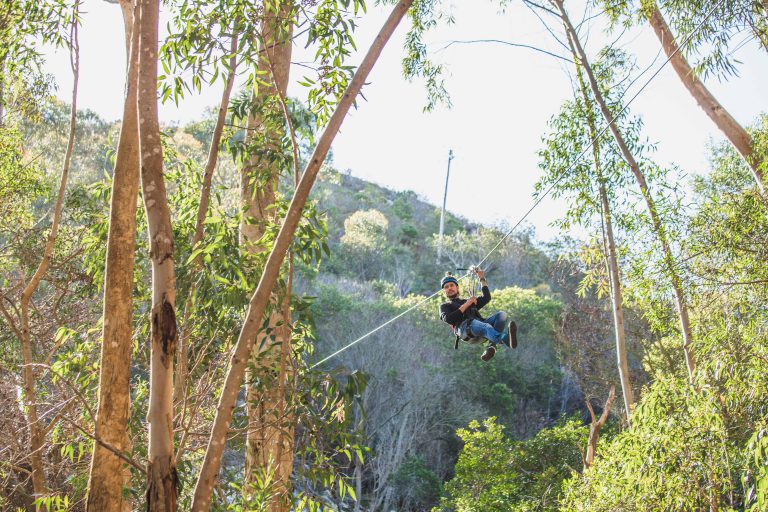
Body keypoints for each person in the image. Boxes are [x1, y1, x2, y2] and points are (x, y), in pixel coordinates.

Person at [439, 269, 518, 361]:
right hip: (466, 331)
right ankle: (505, 338)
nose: (449, 288)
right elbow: (449, 319)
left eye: (451, 285)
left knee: (501, 315)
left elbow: (486, 297)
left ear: (457, 287)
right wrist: (467, 304)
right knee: (486, 326)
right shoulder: (445, 306)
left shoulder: (468, 301)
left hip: (480, 327)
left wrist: (481, 278)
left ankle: (491, 347)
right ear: (444, 291)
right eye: (446, 287)